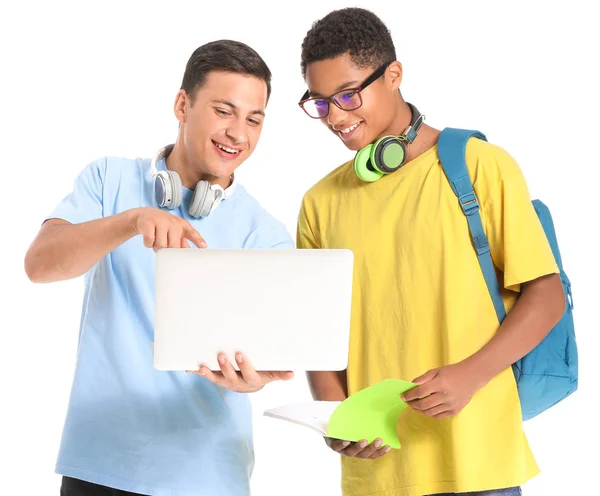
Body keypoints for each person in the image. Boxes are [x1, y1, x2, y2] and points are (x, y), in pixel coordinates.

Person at [296, 8, 565, 496]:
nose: (335, 117)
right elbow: (318, 334)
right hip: (377, 472)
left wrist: (470, 375)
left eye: (348, 95)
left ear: (393, 75)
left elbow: (546, 297)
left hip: (479, 464)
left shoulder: (481, 167)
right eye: (319, 103)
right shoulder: (319, 203)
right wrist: (338, 419)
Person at [24, 40, 294, 496]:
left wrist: (256, 379)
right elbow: (40, 264)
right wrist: (131, 221)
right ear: (182, 104)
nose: (238, 134)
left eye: (254, 119)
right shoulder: (108, 180)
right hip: (100, 465)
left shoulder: (264, 232)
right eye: (224, 111)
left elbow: (273, 350)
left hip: (209, 476)